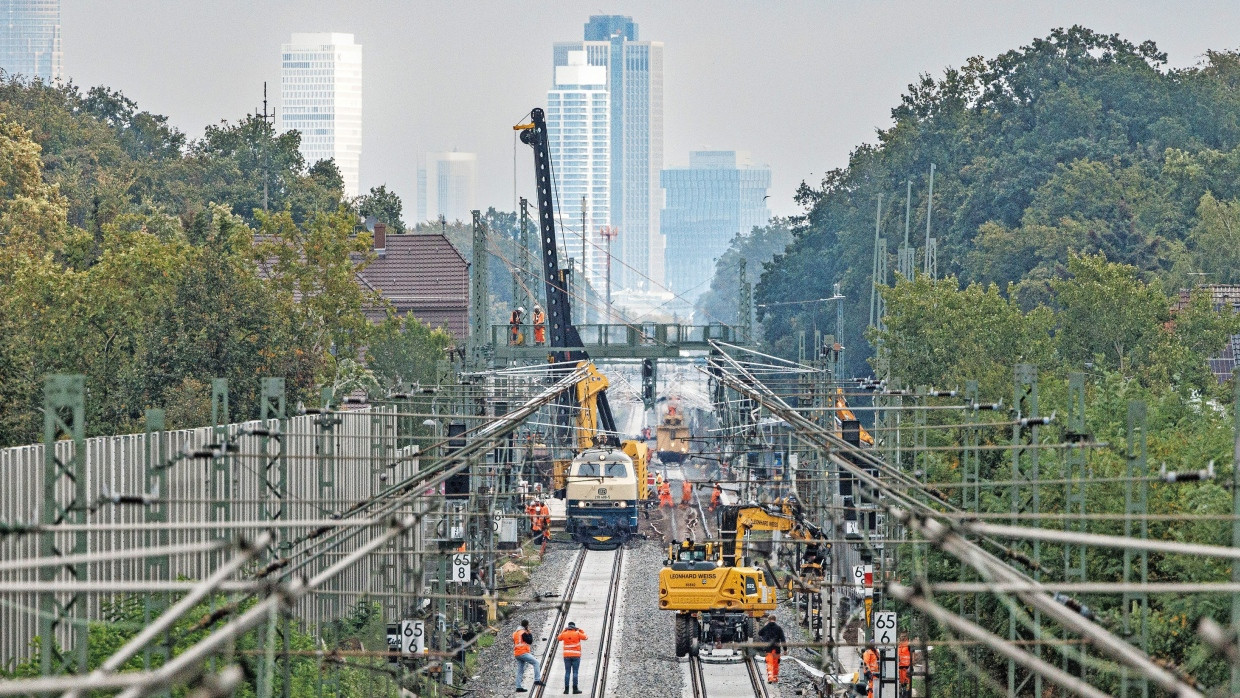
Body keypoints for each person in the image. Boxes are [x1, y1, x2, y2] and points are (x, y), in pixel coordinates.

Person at [512, 619, 544, 692]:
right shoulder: (523, 632)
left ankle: (518, 687)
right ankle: (537, 680)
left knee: (520, 670)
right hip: (523, 652)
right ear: (526, 625)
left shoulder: (515, 633)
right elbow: (530, 641)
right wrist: (529, 632)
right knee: (536, 663)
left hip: (517, 653)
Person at [556, 620, 588, 694]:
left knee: (567, 672)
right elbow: (586, 637)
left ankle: (566, 690)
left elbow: (559, 638)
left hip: (566, 656)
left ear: (568, 627)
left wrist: (564, 630)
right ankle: (575, 689)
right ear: (574, 627)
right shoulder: (577, 633)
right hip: (576, 656)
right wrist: (580, 630)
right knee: (575, 672)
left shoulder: (564, 633)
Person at [757, 614, 786, 684]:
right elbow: (783, 639)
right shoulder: (779, 628)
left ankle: (770, 678)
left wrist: (765, 626)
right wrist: (785, 649)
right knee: (776, 663)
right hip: (776, 648)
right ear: (775, 620)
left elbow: (759, 633)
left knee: (769, 663)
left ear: (768, 619)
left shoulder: (766, 627)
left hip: (768, 648)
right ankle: (775, 678)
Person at [897, 633, 913, 698]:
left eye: (904, 636)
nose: (903, 638)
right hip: (900, 667)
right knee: (901, 683)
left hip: (907, 667)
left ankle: (907, 695)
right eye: (901, 636)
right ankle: (902, 695)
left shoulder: (908, 645)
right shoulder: (899, 645)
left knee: (908, 683)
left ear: (906, 637)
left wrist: (911, 666)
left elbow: (913, 655)